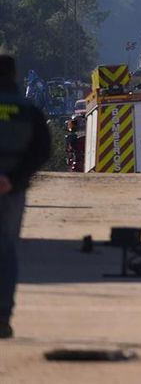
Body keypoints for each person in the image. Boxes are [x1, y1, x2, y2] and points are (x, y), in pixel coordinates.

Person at [0, 53, 52, 340]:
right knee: (5, 251)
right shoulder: (27, 109)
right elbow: (41, 151)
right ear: (15, 75)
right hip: (11, 189)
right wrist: (13, 179)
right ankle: (3, 316)